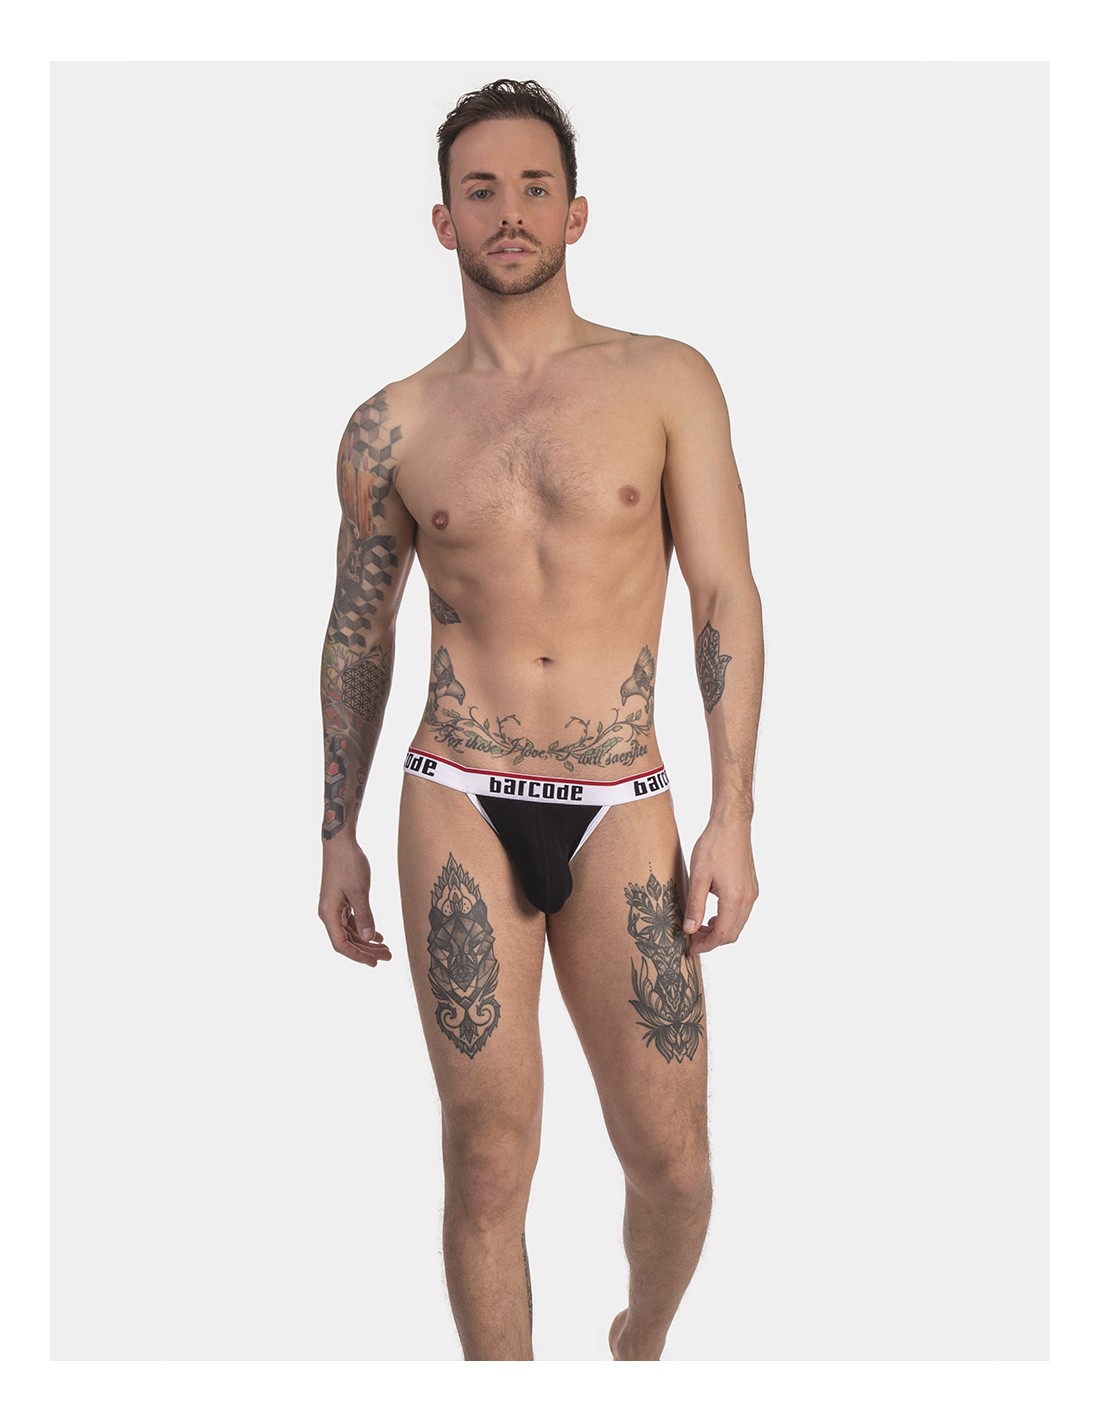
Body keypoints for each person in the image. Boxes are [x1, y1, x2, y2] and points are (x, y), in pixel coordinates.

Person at [317, 77, 764, 1362]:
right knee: (484, 1154)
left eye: (531, 187)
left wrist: (732, 816)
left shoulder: (664, 379)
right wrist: (337, 832)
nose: (506, 211)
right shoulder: (390, 425)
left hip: (623, 801)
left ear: (574, 213)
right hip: (456, 789)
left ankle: (637, 1349)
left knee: (673, 1167)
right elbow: (358, 633)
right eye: (479, 191)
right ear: (442, 223)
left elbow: (723, 593)